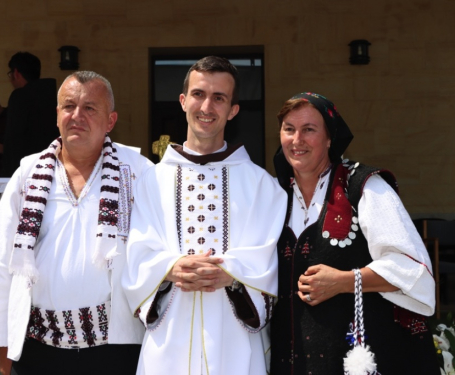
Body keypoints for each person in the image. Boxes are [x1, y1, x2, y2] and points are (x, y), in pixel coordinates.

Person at [0, 71, 154, 375]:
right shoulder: (28, 173)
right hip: (38, 350)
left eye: (90, 108)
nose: (77, 116)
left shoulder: (138, 173)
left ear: (111, 120)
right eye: (69, 106)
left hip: (116, 350)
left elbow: (157, 255)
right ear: (57, 115)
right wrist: (5, 349)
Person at [122, 56, 287, 375]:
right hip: (169, 338)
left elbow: (268, 260)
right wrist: (171, 267)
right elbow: (137, 255)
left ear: (233, 110)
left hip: (235, 339)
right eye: (198, 94)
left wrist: (233, 273)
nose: (206, 107)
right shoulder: (150, 181)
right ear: (183, 101)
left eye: (219, 98)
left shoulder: (262, 186)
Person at [270, 92, 439, 374]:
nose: (296, 140)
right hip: (291, 360)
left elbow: (414, 271)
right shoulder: (274, 195)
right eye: (289, 129)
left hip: (356, 360)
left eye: (309, 129)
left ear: (329, 139)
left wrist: (345, 280)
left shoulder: (364, 188)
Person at [1, 51, 59, 177]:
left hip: (27, 169)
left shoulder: (20, 97)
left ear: (16, 73)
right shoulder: (54, 96)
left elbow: (13, 139)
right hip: (53, 166)